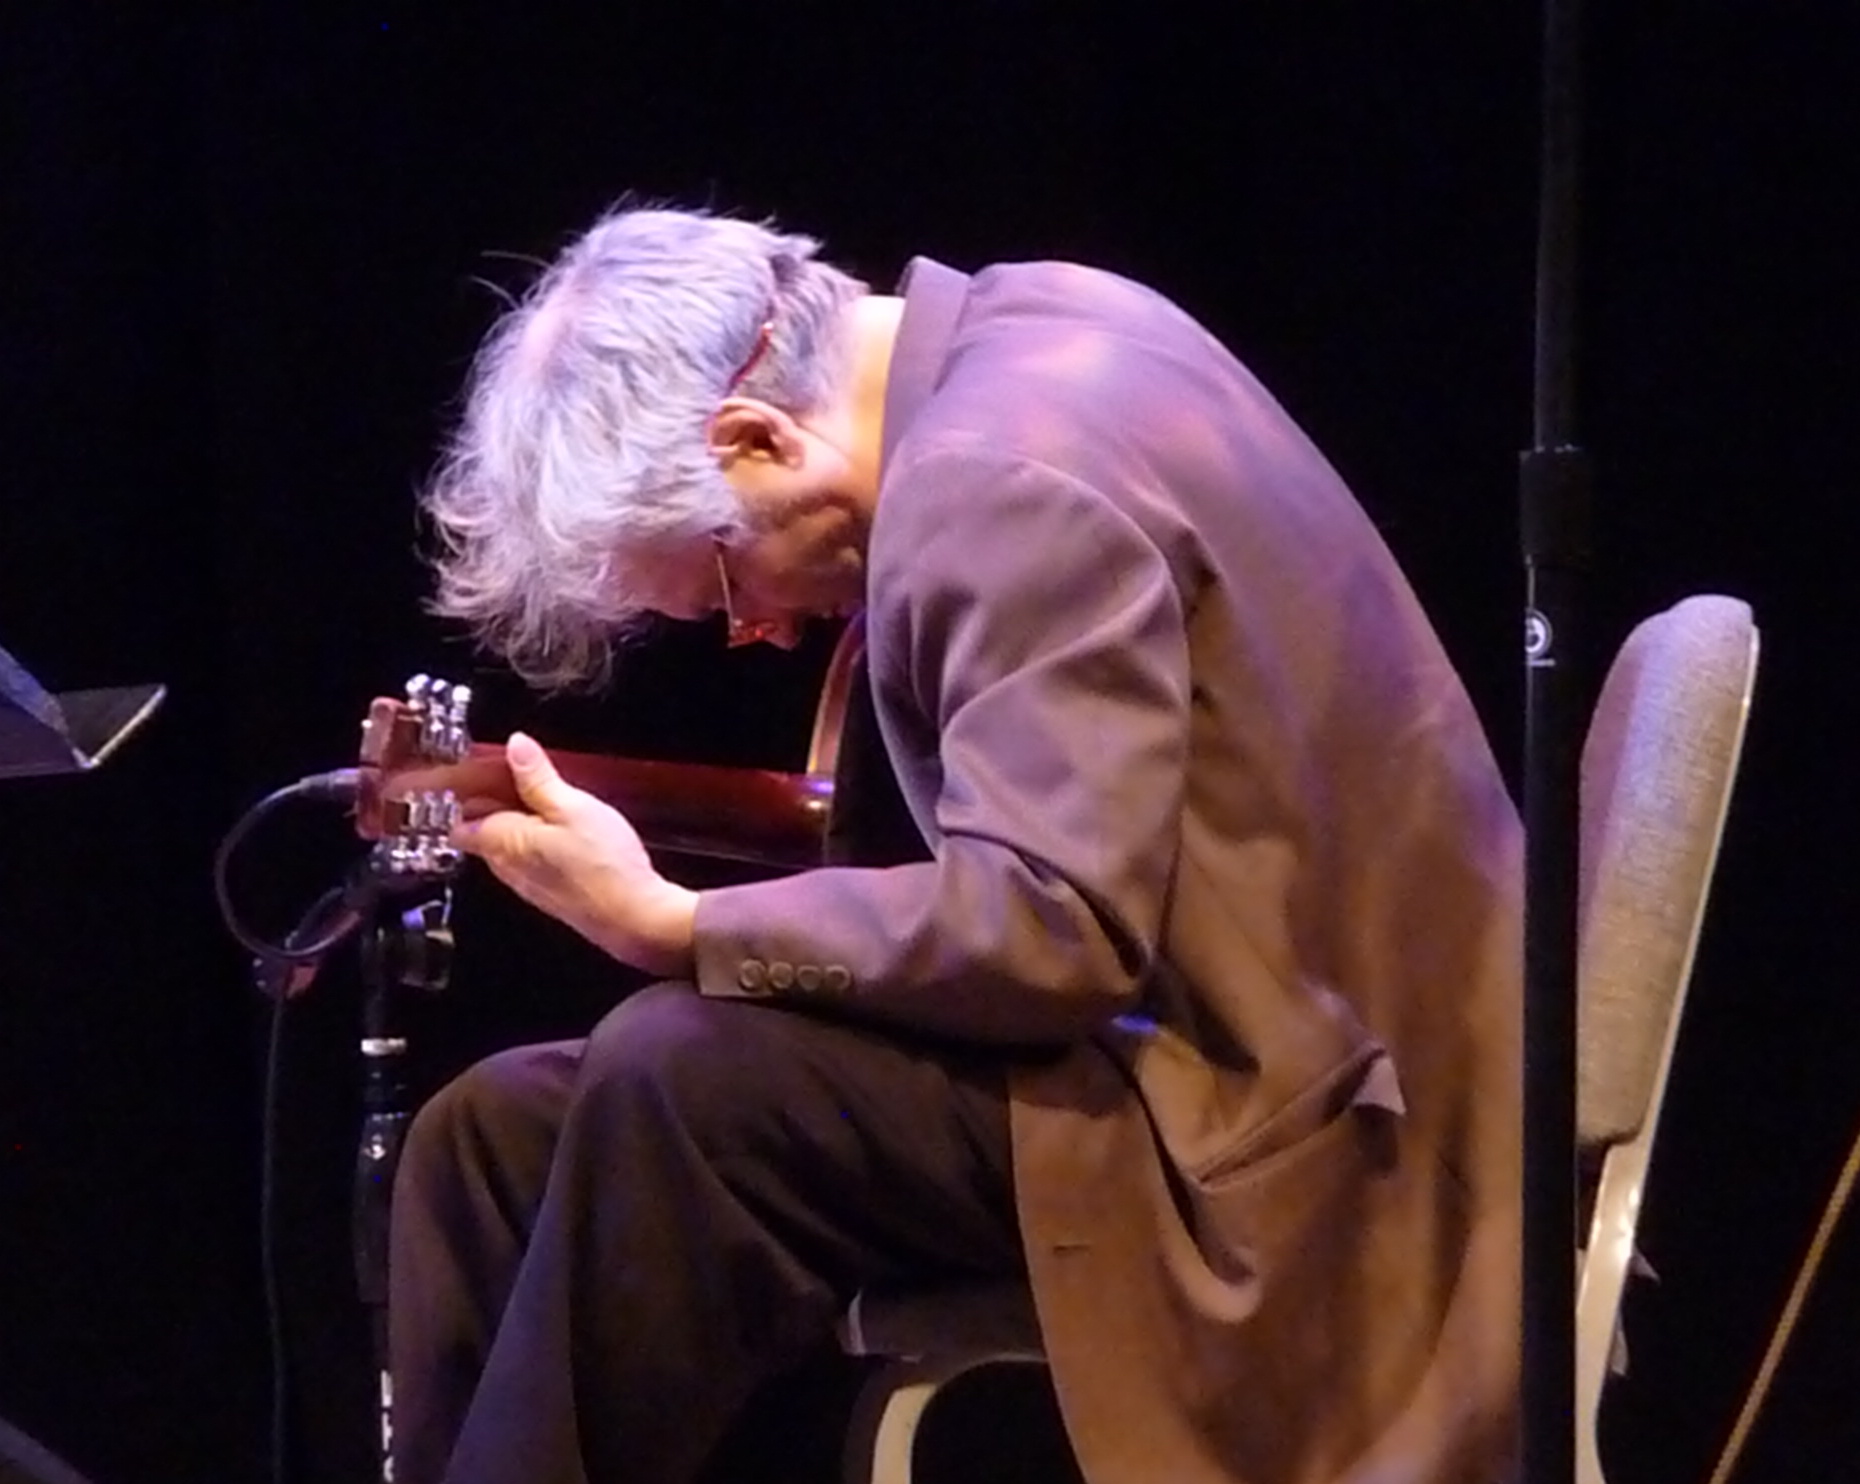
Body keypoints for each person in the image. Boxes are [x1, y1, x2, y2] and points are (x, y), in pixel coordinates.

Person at [391, 203, 1523, 1484]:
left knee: (677, 1077)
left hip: (1300, 1141)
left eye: (721, 583)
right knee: (487, 1139)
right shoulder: (1033, 323)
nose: (755, 629)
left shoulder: (998, 480)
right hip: (1204, 1045)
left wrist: (674, 925)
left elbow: (1054, 926)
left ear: (757, 436)